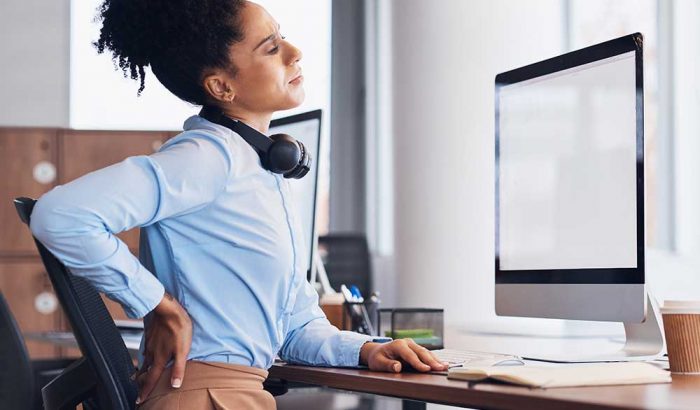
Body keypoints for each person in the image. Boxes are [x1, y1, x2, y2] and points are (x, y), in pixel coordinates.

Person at [29, 0, 448, 408]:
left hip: (238, 393)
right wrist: (158, 304)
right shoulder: (207, 158)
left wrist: (368, 349)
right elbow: (61, 214)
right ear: (221, 86)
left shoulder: (258, 168)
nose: (294, 51)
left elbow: (296, 327)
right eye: (271, 47)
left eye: (282, 37)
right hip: (205, 395)